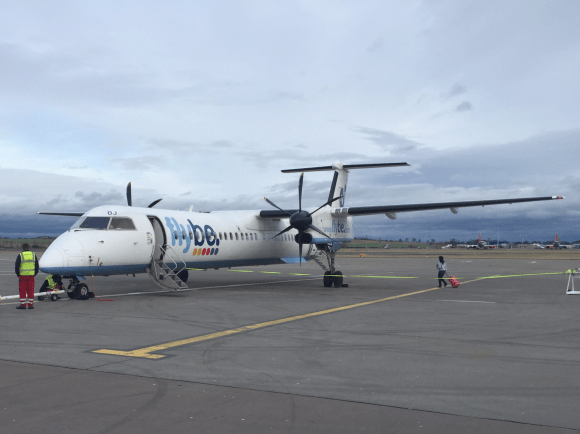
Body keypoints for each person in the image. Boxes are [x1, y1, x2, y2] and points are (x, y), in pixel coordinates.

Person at [14, 243, 39, 309]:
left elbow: (17, 266)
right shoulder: (33, 255)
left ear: (23, 248)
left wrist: (18, 274)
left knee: (22, 290)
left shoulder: (20, 255)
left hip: (22, 276)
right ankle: (30, 305)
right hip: (31, 276)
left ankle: (23, 305)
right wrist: (34, 274)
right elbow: (37, 266)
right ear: (28, 247)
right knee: (31, 290)